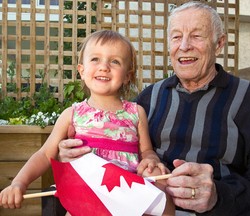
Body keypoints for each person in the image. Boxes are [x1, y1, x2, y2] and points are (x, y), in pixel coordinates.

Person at [54, 2, 250, 216]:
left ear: (219, 44)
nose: (184, 46)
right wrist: (77, 156)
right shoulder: (146, 100)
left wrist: (218, 195)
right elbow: (115, 154)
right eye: (176, 37)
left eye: (196, 36)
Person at [0, 30, 174, 215]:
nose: (104, 67)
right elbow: (44, 154)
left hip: (125, 195)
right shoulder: (72, 114)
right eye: (95, 59)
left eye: (115, 61)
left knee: (162, 195)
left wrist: (150, 159)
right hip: (85, 196)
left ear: (127, 76)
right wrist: (19, 183)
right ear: (82, 71)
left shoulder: (136, 113)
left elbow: (146, 150)